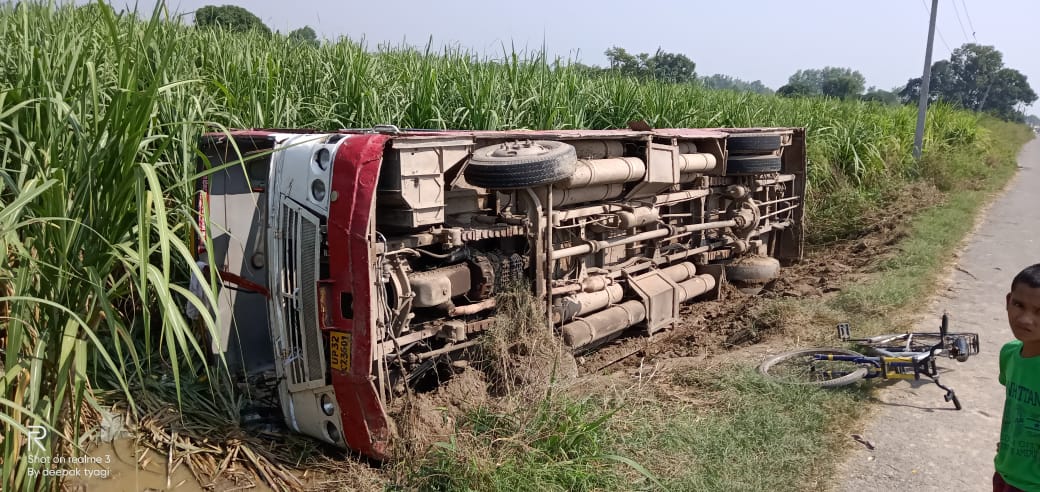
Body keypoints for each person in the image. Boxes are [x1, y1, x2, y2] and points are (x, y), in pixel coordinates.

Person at [995, 263, 1040, 491]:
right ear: (1007, 301)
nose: (1025, 319)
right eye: (1018, 305)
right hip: (1005, 471)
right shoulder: (1010, 353)